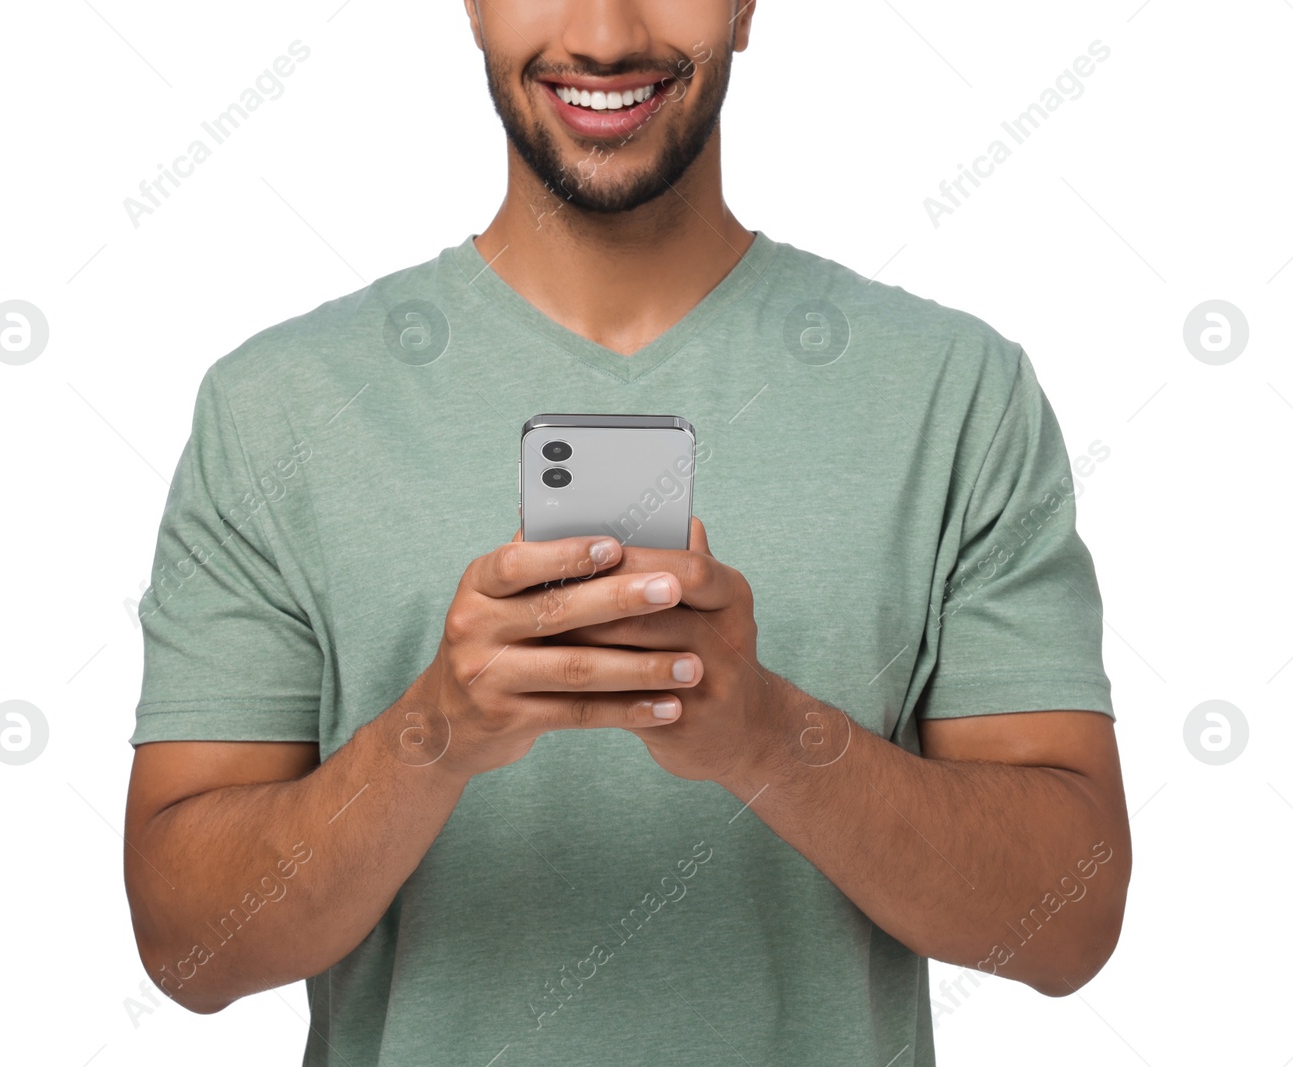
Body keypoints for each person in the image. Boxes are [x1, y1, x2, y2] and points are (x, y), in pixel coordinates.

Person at [123, 2, 1131, 1063]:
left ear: (745, 7)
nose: (603, 37)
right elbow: (189, 948)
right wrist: (432, 736)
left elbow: (1068, 922)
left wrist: (767, 737)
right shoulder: (277, 408)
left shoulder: (955, 393)